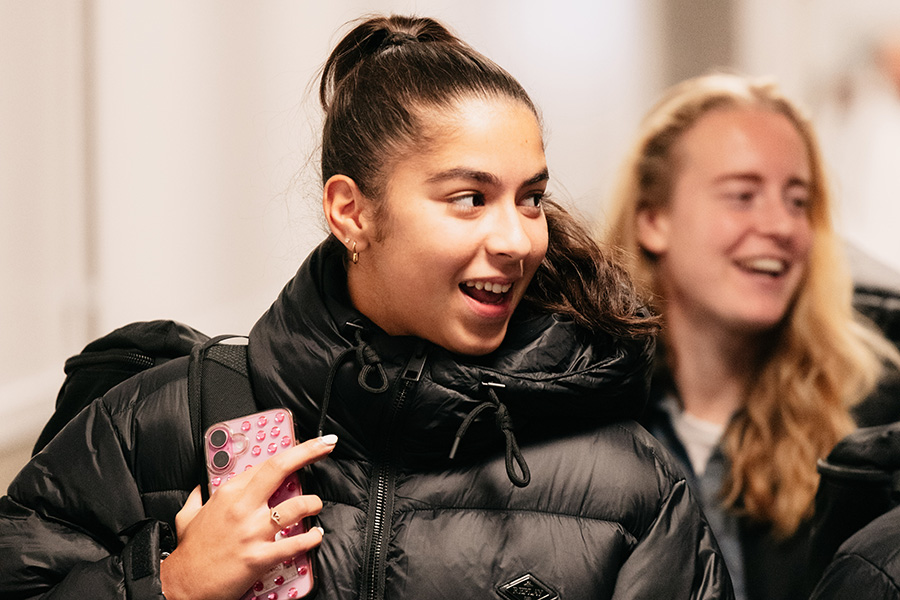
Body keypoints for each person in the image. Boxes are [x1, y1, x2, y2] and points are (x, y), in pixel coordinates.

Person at [0, 14, 734, 600]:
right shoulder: (165, 423)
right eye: (469, 198)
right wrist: (171, 584)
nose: (517, 239)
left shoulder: (629, 482)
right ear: (351, 212)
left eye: (531, 198)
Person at [603, 72, 900, 600]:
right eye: (742, 195)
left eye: (798, 201)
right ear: (653, 220)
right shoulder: (588, 414)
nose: (782, 227)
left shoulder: (877, 423)